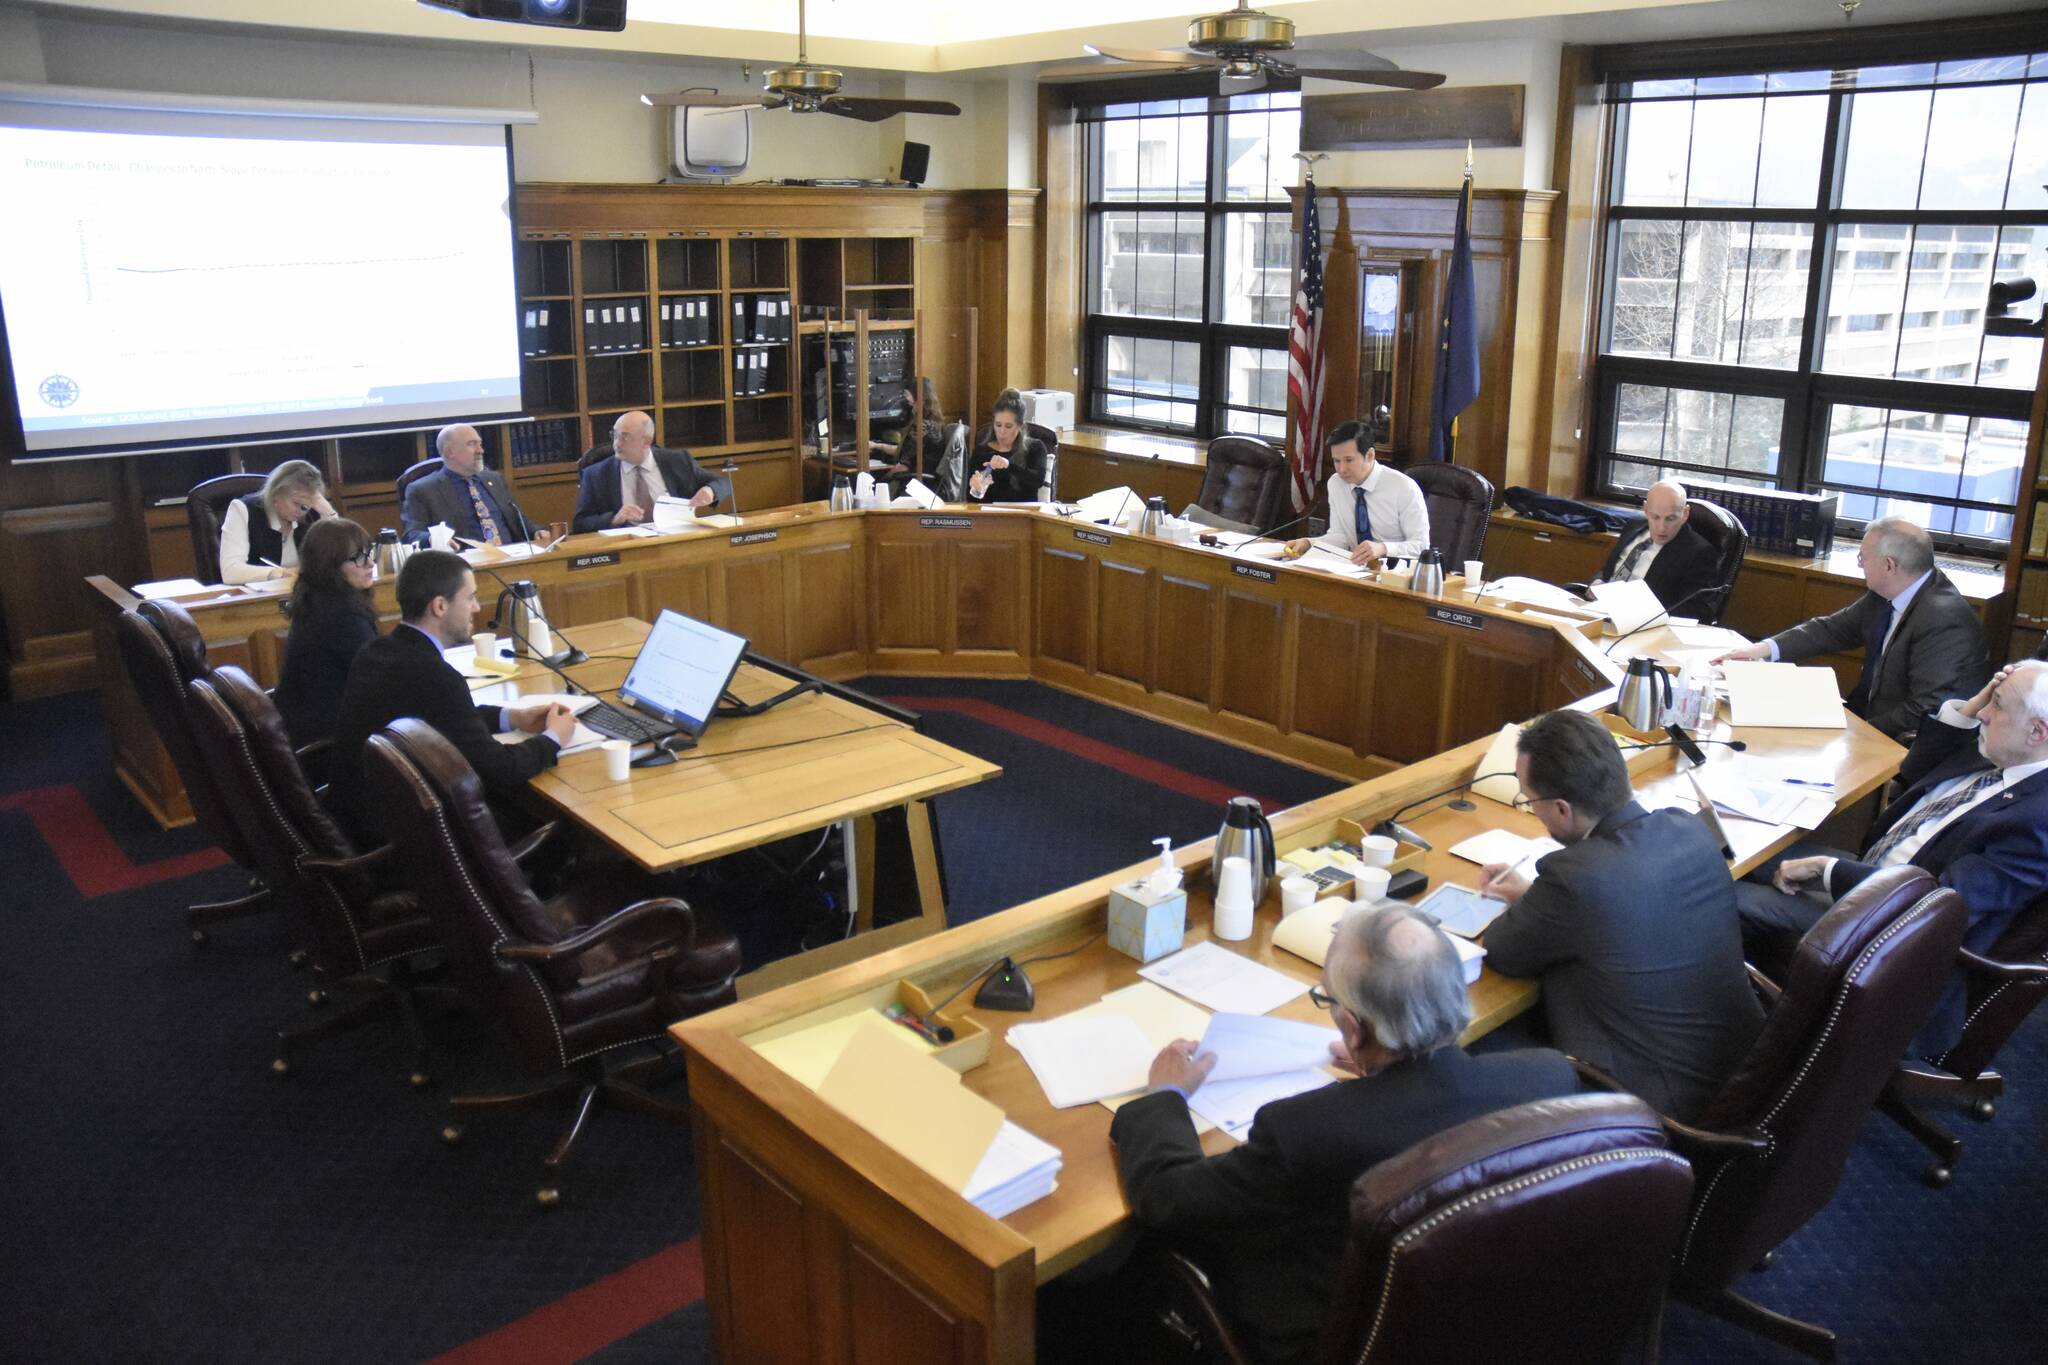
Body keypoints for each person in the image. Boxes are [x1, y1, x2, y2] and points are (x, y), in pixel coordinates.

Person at [1102, 903, 1578, 1365]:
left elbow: (1168, 1200)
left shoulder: (1303, 1132)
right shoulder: (1546, 1078)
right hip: (1484, 1321)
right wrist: (1382, 1067)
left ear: (1352, 1029)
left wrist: (1164, 1098)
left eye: (1328, 1001)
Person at [1736, 660, 2048, 1051]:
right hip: (1874, 874)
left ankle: (1733, 1035)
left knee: (1725, 897)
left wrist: (1828, 870)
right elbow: (1915, 769)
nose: (1985, 713)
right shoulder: (2005, 752)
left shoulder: (2038, 820)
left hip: (1888, 931)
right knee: (1737, 848)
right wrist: (1972, 708)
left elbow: (1938, 904)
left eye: (1997, 705)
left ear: (2037, 731)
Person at [1477, 708, 1764, 1122]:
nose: (1531, 809)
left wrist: (1541, 901)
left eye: (1529, 799)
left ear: (1561, 809)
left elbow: (1503, 950)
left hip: (1651, 1114)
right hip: (1743, 1080)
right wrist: (1537, 897)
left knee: (1471, 1053)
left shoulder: (1576, 877)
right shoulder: (1687, 828)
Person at [324, 550, 574, 844]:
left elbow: (442, 715)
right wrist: (554, 739)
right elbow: (500, 769)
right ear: (440, 606)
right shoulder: (435, 675)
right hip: (402, 838)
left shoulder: (376, 652)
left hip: (357, 818)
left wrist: (511, 717)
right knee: (561, 825)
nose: (477, 608)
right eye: (470, 598)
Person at [1714, 517, 1987, 743]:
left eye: (1862, 557)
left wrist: (1854, 732)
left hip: (1898, 741)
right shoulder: (1887, 592)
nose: (1859, 565)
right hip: (1861, 720)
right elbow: (1832, 630)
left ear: (1888, 565)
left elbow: (1924, 710)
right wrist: (1761, 649)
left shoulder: (1945, 620)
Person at [270, 518, 378, 748]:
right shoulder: (343, 617)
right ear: (330, 566)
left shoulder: (315, 601)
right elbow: (378, 681)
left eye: (369, 552)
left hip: (308, 734)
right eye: (358, 557)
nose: (370, 563)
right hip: (327, 747)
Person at [1285, 419, 1430, 566]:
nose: (1342, 469)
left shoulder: (1403, 487)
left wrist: (1383, 548)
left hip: (1396, 572)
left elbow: (1421, 546)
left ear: (1370, 455)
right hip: (1355, 570)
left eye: (1349, 460)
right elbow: (1340, 537)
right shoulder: (1336, 483)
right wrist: (1309, 543)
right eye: (1337, 461)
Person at [571, 410, 727, 533]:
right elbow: (580, 524)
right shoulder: (596, 474)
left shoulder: (678, 461)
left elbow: (723, 482)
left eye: (625, 437)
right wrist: (614, 519)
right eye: (614, 435)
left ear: (646, 441)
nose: (616, 444)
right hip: (626, 546)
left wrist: (709, 491)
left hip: (674, 539)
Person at [400, 424, 554, 548]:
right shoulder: (423, 490)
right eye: (472, 444)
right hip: (463, 565)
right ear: (450, 452)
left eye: (480, 444)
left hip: (511, 555)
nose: (480, 451)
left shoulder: (494, 479)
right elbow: (411, 535)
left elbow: (517, 519)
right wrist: (434, 540)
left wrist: (537, 531)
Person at [1590, 478, 1723, 613]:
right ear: (1646, 509)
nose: (1661, 528)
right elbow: (1608, 570)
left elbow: (1697, 609)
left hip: (1641, 622)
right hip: (1600, 609)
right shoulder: (1633, 526)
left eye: (1670, 519)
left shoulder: (1699, 552)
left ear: (1685, 514)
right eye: (1655, 517)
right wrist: (1598, 581)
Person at [219, 459, 335, 585]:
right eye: (297, 503)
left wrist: (329, 514)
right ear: (275, 494)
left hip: (304, 595)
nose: (303, 510)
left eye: (306, 506)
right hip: (259, 597)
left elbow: (339, 562)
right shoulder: (243, 510)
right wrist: (278, 573)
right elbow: (230, 572)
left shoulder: (312, 512)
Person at [965, 388, 1047, 503]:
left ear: (1020, 426)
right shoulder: (982, 451)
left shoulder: (1035, 447)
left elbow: (1037, 481)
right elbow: (971, 501)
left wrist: (1008, 466)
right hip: (990, 515)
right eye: (998, 425)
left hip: (1023, 514)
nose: (1002, 432)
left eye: (1008, 426)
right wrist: (975, 489)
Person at [872, 378, 948, 481]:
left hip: (915, 483)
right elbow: (906, 450)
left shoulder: (922, 427)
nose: (906, 398)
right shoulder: (934, 424)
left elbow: (904, 466)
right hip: (924, 480)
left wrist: (883, 480)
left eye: (908, 394)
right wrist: (876, 445)